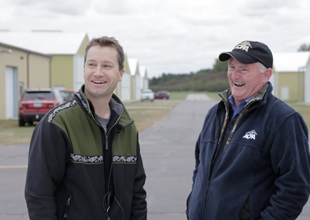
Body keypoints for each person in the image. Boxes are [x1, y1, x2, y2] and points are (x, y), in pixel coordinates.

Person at [25, 36, 147, 220]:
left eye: (106, 66)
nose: (97, 72)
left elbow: (137, 193)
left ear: (120, 74)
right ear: (83, 70)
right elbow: (39, 195)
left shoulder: (127, 126)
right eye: (91, 65)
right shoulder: (57, 124)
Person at [186, 40, 310, 220]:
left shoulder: (284, 120)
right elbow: (200, 168)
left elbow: (295, 187)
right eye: (231, 67)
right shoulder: (214, 114)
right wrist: (193, 207)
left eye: (243, 69)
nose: (235, 75)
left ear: (266, 74)